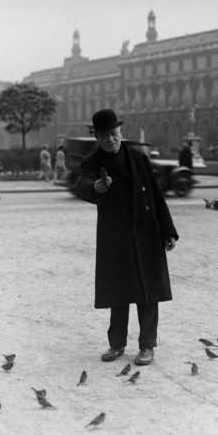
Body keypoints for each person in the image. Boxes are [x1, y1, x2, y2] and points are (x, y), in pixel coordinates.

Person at [75, 109, 178, 366]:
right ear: (96, 137)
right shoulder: (92, 162)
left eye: (113, 133)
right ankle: (116, 344)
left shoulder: (138, 158)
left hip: (146, 232)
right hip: (116, 236)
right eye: (103, 136)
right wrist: (95, 188)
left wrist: (168, 231)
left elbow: (155, 195)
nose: (110, 139)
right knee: (118, 293)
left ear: (121, 131)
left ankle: (147, 346)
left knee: (148, 292)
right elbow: (82, 184)